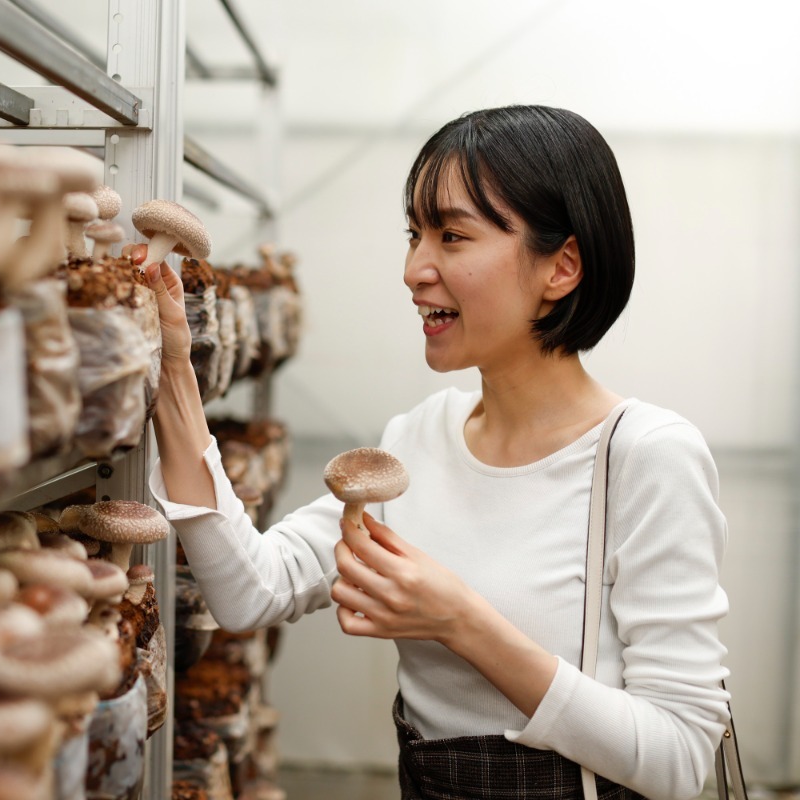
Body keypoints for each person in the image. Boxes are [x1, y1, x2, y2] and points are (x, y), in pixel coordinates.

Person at [128, 105, 731, 800]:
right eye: (415, 234)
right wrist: (175, 371)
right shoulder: (419, 438)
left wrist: (462, 622)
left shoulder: (648, 458)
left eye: (452, 235)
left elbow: (682, 760)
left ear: (562, 266)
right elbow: (249, 589)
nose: (416, 269)